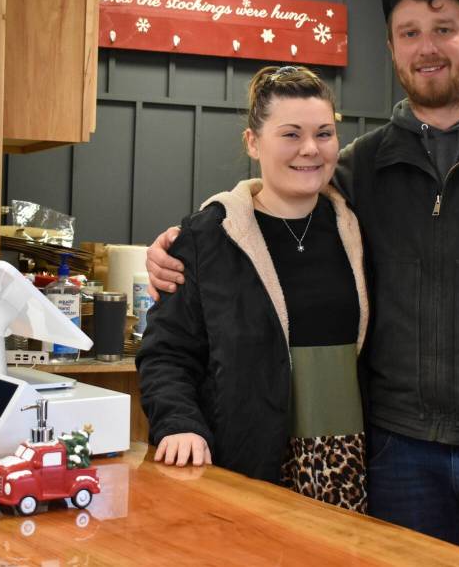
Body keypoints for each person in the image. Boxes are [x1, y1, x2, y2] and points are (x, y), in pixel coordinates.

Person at [146, 0, 459, 566]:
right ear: (392, 49)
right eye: (409, 33)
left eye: (443, 29)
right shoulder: (365, 164)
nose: (427, 47)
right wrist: (188, 237)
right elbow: (279, 194)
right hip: (400, 459)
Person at [136, 65, 369, 512]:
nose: (310, 148)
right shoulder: (208, 237)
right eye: (290, 134)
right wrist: (179, 423)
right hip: (249, 466)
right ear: (253, 142)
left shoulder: (360, 229)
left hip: (351, 472)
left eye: (323, 134)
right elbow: (166, 352)